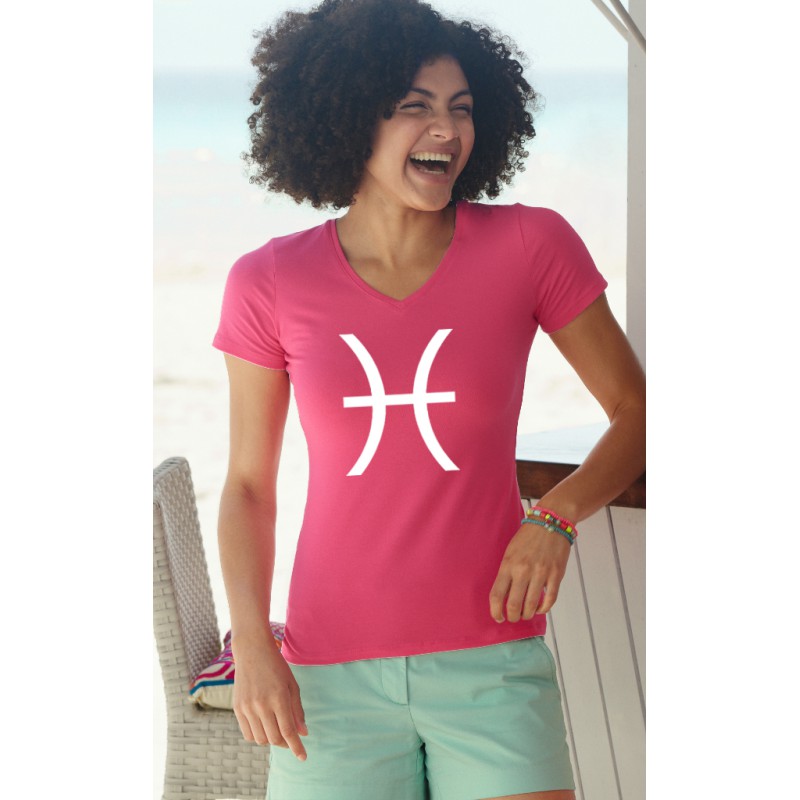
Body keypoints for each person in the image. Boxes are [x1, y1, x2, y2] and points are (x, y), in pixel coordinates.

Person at [212, 0, 646, 798]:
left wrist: (555, 517)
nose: (446, 128)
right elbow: (247, 487)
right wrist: (253, 647)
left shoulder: (530, 246)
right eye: (415, 106)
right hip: (329, 675)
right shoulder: (267, 282)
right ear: (347, 118)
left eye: (462, 108)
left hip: (491, 665)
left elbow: (638, 411)